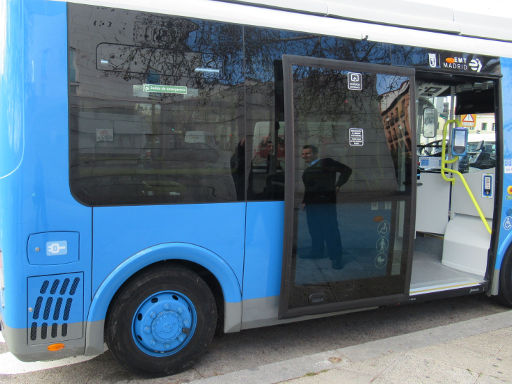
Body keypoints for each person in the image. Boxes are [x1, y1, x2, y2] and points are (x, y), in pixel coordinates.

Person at [301, 144, 352, 269]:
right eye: (303, 154)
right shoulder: (308, 169)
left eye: (307, 153)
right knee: (314, 229)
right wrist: (304, 201)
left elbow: (347, 170)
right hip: (312, 204)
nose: (304, 156)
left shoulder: (326, 162)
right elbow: (309, 188)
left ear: (315, 154)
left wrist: (339, 185)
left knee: (330, 230)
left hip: (326, 203)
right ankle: (317, 252)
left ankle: (336, 258)